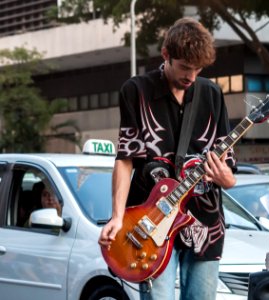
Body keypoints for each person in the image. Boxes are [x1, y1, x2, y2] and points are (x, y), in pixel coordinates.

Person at [98, 17, 236, 300]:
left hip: (204, 224)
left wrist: (227, 179)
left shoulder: (211, 94)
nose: (191, 77)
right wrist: (117, 215)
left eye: (198, 69)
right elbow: (125, 158)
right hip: (150, 221)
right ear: (166, 55)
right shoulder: (136, 91)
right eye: (185, 67)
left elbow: (228, 166)